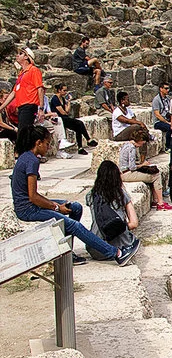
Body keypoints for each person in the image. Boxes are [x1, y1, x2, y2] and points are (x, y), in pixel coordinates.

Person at [11, 130, 124, 264]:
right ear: (38, 143)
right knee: (74, 226)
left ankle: (66, 251)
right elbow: (33, 197)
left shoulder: (27, 157)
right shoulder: (31, 161)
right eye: (47, 144)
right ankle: (115, 253)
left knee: (75, 207)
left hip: (29, 204)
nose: (49, 147)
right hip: (27, 209)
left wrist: (57, 206)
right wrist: (57, 207)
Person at [85, 159, 141, 260]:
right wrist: (118, 228)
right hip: (120, 247)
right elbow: (134, 223)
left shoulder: (90, 195)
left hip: (95, 250)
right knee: (133, 239)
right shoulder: (121, 194)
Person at [117, 125, 167, 210]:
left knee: (152, 172)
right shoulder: (131, 148)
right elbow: (132, 167)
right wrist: (143, 165)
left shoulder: (126, 145)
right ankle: (160, 202)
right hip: (127, 174)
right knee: (156, 175)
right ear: (140, 140)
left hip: (123, 172)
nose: (143, 144)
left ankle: (155, 200)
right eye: (143, 142)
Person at [8, 50, 44, 151]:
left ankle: (22, 153)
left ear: (26, 57)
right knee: (24, 131)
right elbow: (13, 93)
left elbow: (40, 88)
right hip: (21, 106)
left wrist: (41, 108)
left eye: (20, 53)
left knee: (24, 132)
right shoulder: (21, 74)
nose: (17, 55)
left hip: (29, 104)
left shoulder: (33, 70)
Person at [43, 83, 91, 153]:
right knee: (79, 123)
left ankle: (80, 147)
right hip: (60, 119)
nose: (65, 92)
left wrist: (68, 101)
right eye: (64, 90)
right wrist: (65, 111)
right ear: (59, 90)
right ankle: (88, 140)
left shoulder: (62, 98)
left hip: (65, 118)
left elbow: (67, 111)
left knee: (78, 127)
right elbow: (63, 112)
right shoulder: (55, 99)